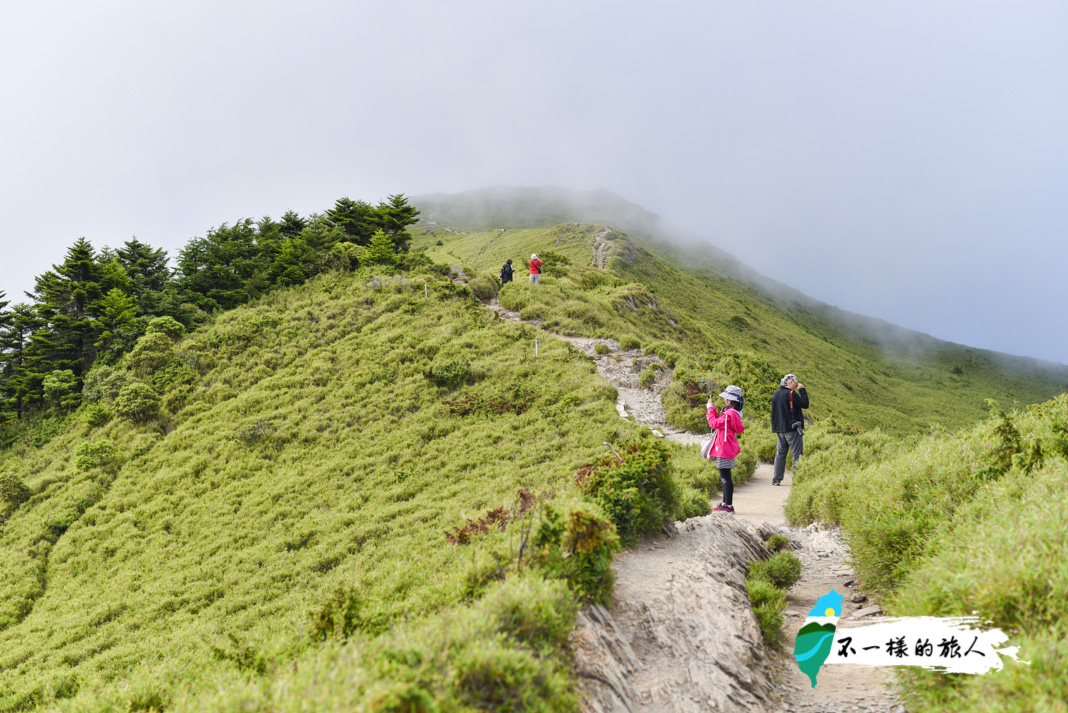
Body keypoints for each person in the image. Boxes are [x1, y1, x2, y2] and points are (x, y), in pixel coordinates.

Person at [707, 384, 745, 514]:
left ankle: (728, 506)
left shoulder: (728, 415)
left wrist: (710, 409)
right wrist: (714, 410)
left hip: (724, 449)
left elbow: (713, 423)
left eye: (726, 398)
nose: (724, 400)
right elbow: (720, 422)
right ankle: (725, 503)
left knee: (725, 478)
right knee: (726, 477)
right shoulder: (733, 414)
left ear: (730, 400)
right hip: (728, 448)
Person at [771, 373, 809, 486]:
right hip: (792, 429)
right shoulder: (792, 394)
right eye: (796, 382)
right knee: (797, 454)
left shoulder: (775, 394)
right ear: (790, 382)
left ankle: (777, 478)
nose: (797, 384)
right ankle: (797, 479)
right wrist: (802, 390)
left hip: (779, 429)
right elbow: (805, 404)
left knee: (780, 454)